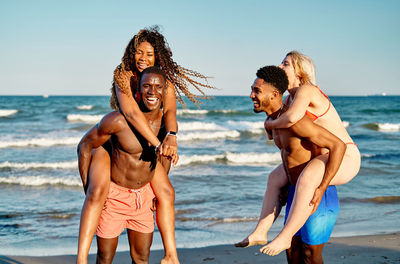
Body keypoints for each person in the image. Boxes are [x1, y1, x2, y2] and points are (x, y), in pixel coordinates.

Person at [77, 26, 213, 264]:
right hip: (116, 141)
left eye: (149, 54)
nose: (143, 58)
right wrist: (158, 142)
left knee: (167, 192)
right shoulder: (123, 74)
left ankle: (171, 255)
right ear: (132, 52)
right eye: (139, 52)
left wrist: (171, 135)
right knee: (95, 193)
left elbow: (170, 111)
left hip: (146, 144)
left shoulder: (163, 82)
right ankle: (81, 260)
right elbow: (130, 112)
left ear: (157, 56)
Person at [235, 51, 360, 255]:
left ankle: (285, 236)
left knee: (309, 177)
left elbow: (292, 118)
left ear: (300, 73)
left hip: (345, 155)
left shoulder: (307, 90)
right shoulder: (288, 100)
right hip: (322, 156)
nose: (280, 66)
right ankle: (261, 231)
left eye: (286, 64)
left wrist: (270, 123)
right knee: (275, 177)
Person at [249, 65, 346, 263]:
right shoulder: (273, 122)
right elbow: (291, 156)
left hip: (316, 194)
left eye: (257, 91)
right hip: (296, 193)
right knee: (292, 254)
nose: (251, 95)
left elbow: (338, 145)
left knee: (310, 255)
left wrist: (323, 186)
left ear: (274, 94)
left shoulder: (297, 121)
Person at [78, 67, 172, 264]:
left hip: (143, 198)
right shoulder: (117, 121)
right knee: (105, 258)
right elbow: (85, 146)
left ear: (165, 92)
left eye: (157, 87)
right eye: (146, 86)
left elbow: (164, 157)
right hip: (114, 199)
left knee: (141, 259)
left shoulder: (166, 125)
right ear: (137, 91)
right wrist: (89, 189)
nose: (152, 91)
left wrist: (156, 193)